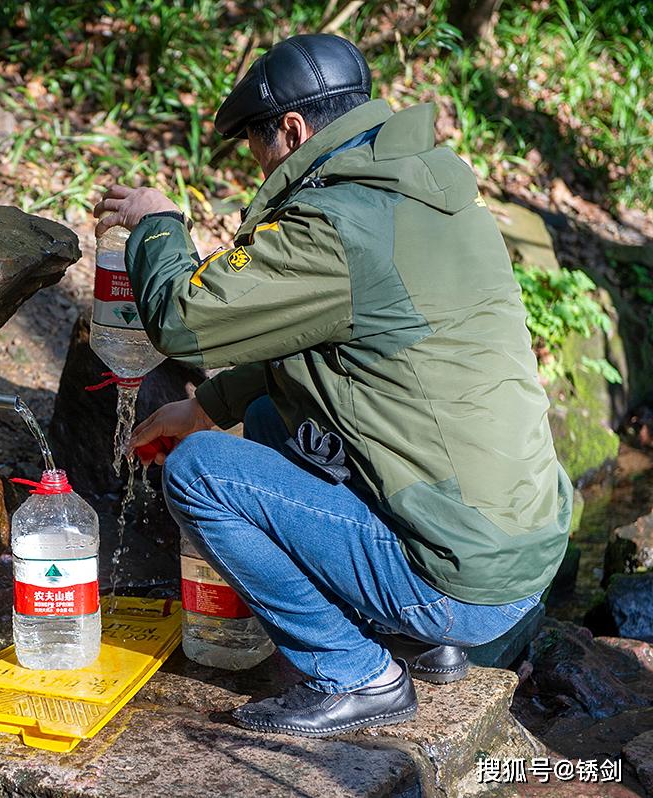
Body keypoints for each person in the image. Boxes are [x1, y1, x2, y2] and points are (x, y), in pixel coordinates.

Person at [92, 33, 571, 738]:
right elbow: (345, 341)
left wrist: (159, 224)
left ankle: (356, 672)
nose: (258, 166)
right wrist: (206, 404)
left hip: (464, 579)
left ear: (291, 130)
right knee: (268, 415)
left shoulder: (334, 223)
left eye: (257, 145)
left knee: (200, 473)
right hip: (522, 547)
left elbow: (184, 323)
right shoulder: (420, 189)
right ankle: (424, 643)